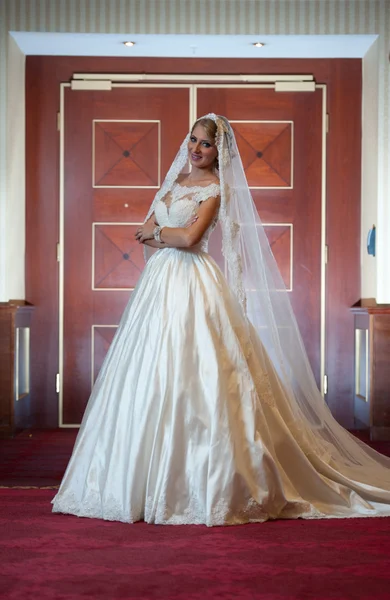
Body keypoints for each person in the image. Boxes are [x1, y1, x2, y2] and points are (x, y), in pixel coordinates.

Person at [52, 114, 390, 525]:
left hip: (193, 281)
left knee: (204, 368)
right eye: (192, 140)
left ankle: (203, 481)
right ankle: (135, 478)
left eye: (206, 144)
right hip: (158, 284)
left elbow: (188, 239)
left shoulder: (216, 188)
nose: (196, 149)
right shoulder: (175, 183)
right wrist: (161, 233)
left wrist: (158, 235)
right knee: (148, 369)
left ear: (219, 151)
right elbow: (150, 225)